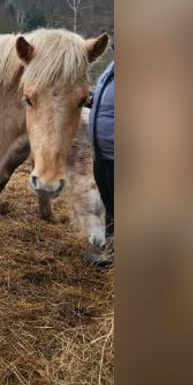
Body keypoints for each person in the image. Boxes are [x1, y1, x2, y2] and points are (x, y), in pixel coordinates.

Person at [85, 58, 114, 266]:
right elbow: (105, 101)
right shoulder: (112, 68)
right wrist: (90, 98)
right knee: (110, 204)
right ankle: (112, 251)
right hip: (102, 154)